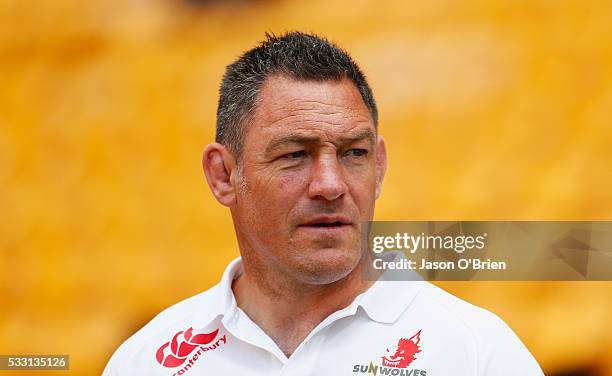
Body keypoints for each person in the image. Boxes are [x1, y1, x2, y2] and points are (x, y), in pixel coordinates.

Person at [103, 31, 544, 376]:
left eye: (354, 153)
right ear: (222, 175)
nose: (331, 185)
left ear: (380, 168)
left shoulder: (477, 353)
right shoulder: (146, 361)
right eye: (295, 155)